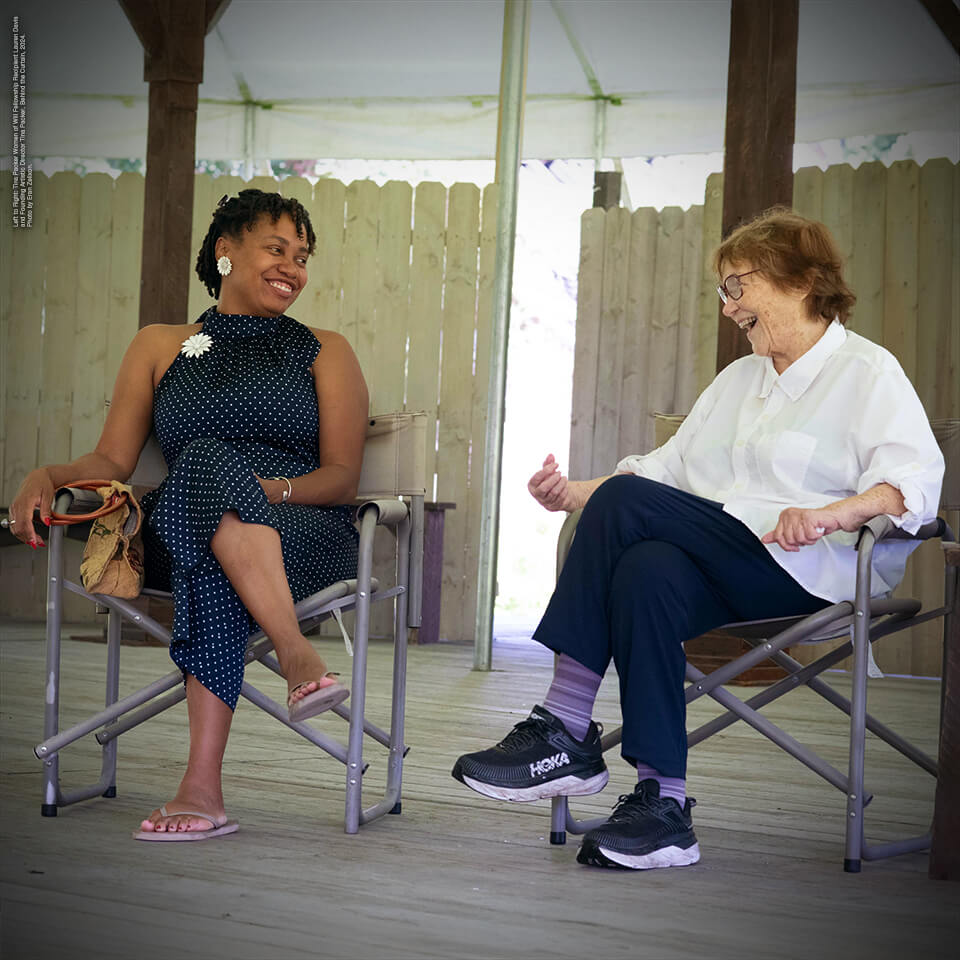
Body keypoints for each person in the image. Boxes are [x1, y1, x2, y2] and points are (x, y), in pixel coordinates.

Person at [452, 207, 944, 871]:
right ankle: (663, 804)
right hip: (724, 565)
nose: (728, 305)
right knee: (647, 570)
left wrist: (832, 514)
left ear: (800, 281)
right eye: (724, 290)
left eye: (739, 286)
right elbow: (663, 475)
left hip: (809, 572)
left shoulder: (867, 373)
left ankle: (565, 724)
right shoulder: (739, 380)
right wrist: (573, 495)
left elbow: (910, 486)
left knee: (633, 516)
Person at [8, 189, 369, 840]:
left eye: (303, 255)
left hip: (303, 529)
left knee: (215, 529)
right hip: (184, 522)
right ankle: (298, 657)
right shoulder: (159, 344)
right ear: (225, 251)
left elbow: (343, 476)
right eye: (276, 248)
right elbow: (112, 460)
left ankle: (201, 789)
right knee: (204, 470)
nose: (293, 266)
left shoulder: (326, 349)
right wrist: (46, 476)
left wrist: (264, 488)